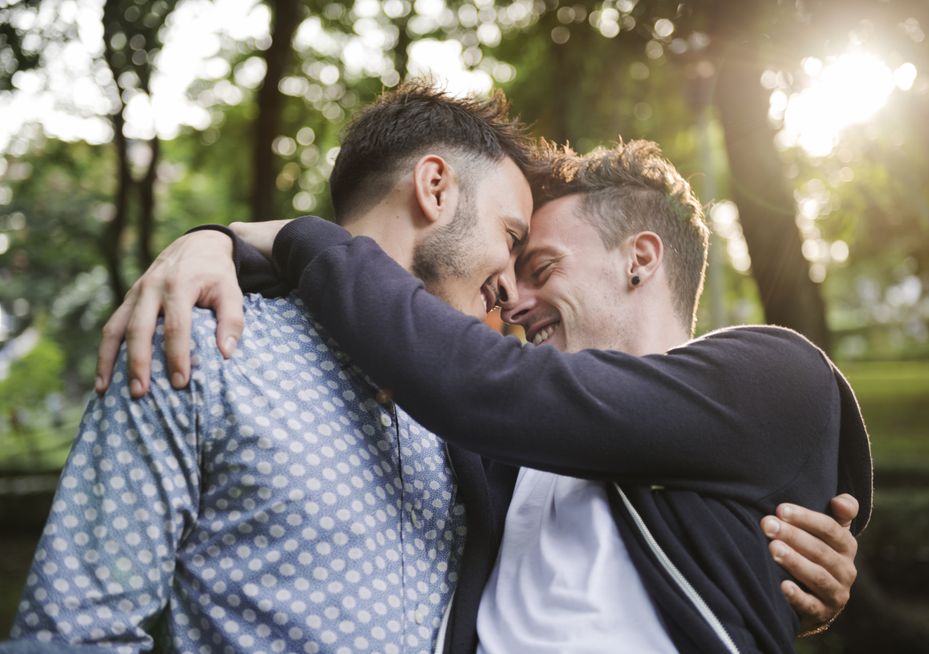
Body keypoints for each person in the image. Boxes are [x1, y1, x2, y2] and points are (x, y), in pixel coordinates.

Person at [9, 84, 859, 652]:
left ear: (640, 259)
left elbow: (472, 379)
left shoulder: (755, 376)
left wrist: (277, 236)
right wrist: (213, 244)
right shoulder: (211, 347)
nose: (513, 303)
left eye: (537, 262)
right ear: (435, 187)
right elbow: (76, 627)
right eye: (512, 247)